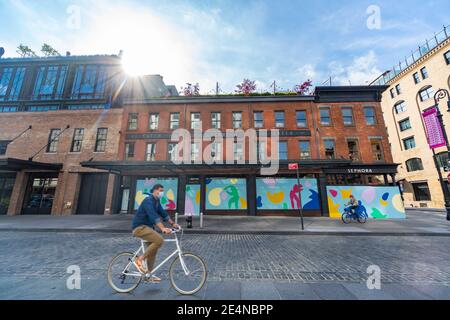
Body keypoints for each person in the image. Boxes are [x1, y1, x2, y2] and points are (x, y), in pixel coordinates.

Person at [132, 184, 180, 282]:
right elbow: (154, 216)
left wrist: (173, 224)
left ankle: (148, 275)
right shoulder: (148, 201)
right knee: (159, 240)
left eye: (163, 190)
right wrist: (163, 228)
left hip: (148, 228)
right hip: (139, 228)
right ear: (154, 190)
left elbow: (163, 214)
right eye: (160, 190)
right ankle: (139, 260)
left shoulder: (156, 202)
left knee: (153, 252)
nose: (162, 192)